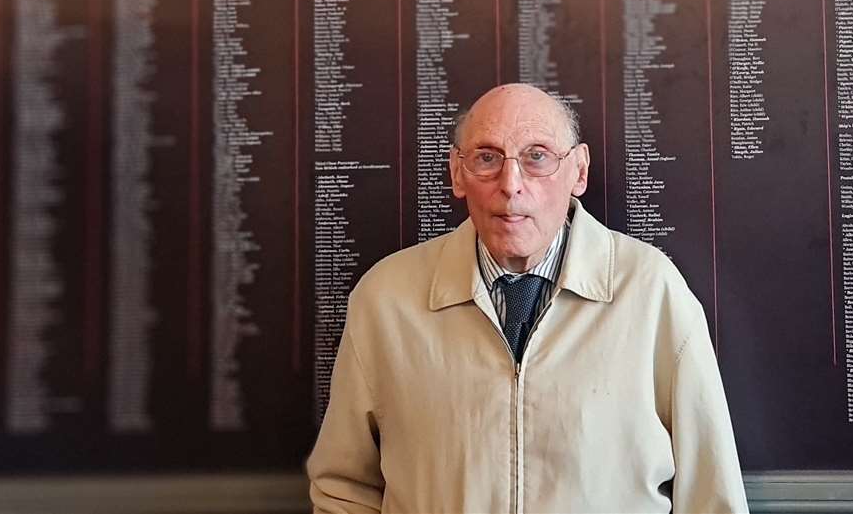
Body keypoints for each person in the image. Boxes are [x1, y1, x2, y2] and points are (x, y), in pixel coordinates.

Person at [307, 83, 748, 513]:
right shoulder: (385, 300)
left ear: (579, 171)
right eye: (486, 158)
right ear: (457, 173)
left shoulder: (652, 291)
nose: (511, 183)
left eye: (537, 157)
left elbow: (711, 495)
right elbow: (344, 490)